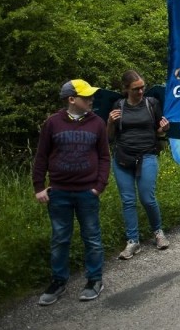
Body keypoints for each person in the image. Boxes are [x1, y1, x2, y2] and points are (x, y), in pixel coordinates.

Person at [33, 79, 110, 305]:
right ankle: (58, 281)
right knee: (60, 239)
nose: (91, 100)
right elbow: (41, 156)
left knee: (92, 238)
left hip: (88, 191)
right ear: (71, 99)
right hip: (59, 192)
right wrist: (39, 187)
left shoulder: (97, 123)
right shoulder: (52, 124)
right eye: (86, 97)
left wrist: (99, 186)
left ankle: (94, 279)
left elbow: (105, 156)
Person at [107, 70, 171, 260]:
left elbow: (159, 131)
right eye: (136, 89)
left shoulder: (152, 104)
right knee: (128, 201)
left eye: (143, 87)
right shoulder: (118, 106)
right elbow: (109, 137)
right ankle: (133, 241)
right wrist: (110, 122)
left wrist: (164, 128)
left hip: (147, 156)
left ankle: (158, 232)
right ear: (126, 89)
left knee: (147, 198)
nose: (141, 91)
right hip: (122, 158)